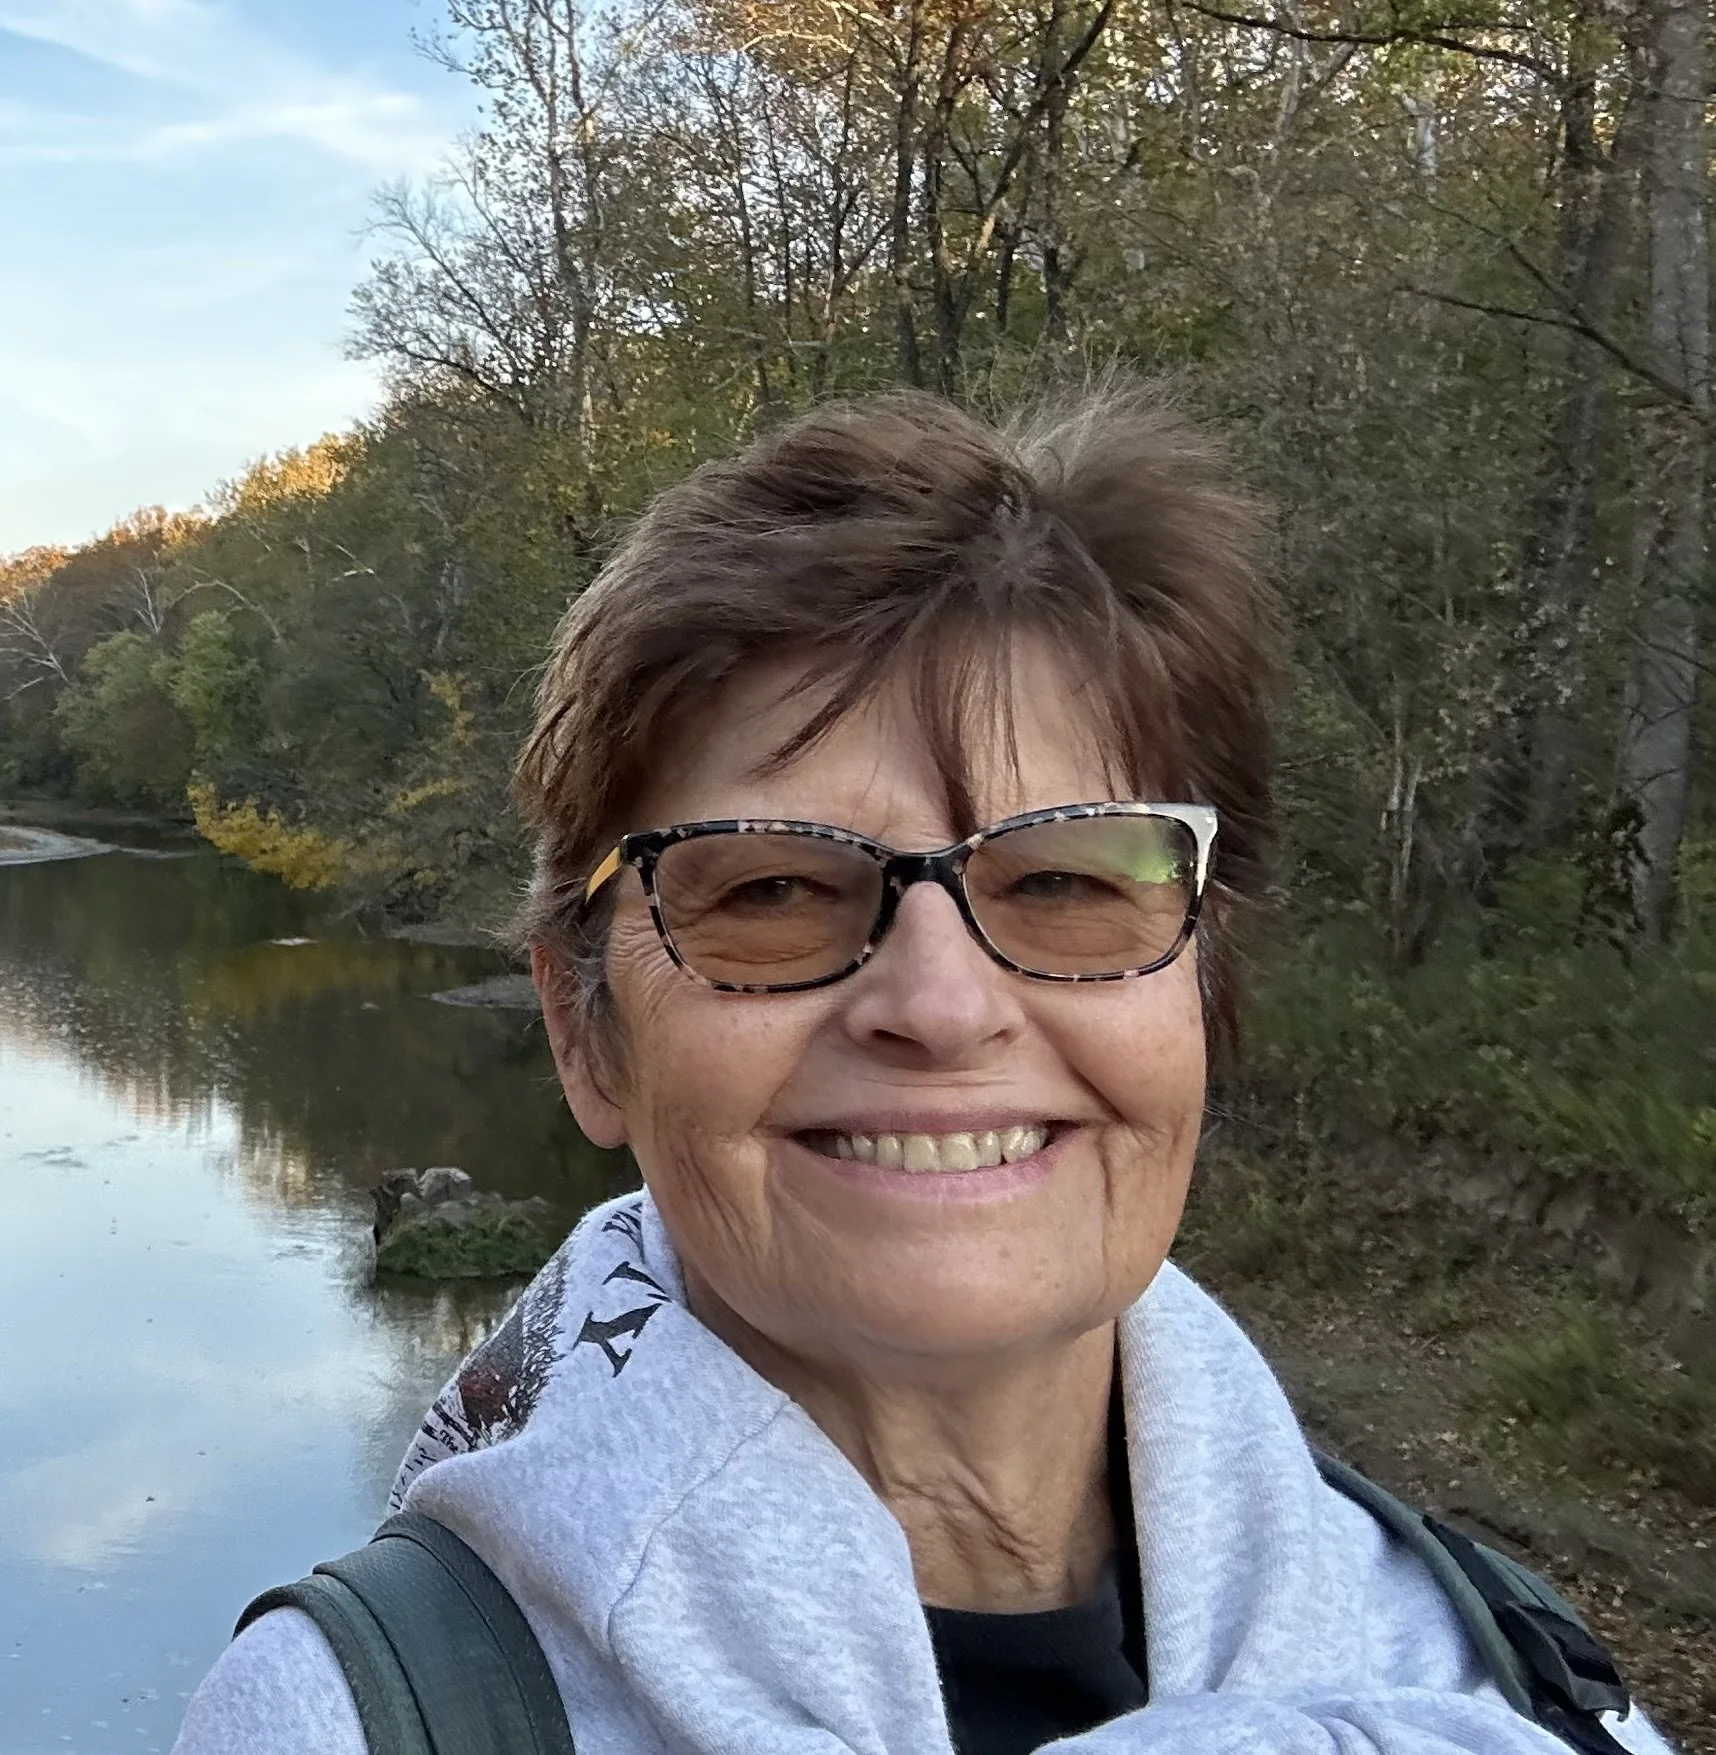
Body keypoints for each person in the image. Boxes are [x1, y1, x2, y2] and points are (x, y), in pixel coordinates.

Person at [172, 382, 1671, 1755]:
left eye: (1071, 884)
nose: (944, 1004)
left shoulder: (1493, 1666)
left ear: (1204, 981)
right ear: (584, 1029)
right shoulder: (355, 1725)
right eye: (766, 892)